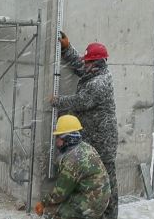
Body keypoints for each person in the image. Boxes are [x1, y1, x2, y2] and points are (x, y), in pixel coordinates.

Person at [50, 32, 119, 219]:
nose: (85, 64)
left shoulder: (99, 83)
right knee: (93, 182)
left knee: (107, 186)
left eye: (88, 61)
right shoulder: (96, 73)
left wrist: (57, 101)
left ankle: (110, 216)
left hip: (103, 143)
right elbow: (80, 67)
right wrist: (67, 49)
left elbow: (80, 101)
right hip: (94, 137)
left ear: (96, 64)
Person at [35, 115, 110, 219]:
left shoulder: (73, 160)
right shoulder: (85, 147)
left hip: (92, 204)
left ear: (68, 139)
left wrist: (43, 204)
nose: (56, 141)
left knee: (50, 211)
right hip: (99, 198)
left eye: (58, 137)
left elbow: (60, 193)